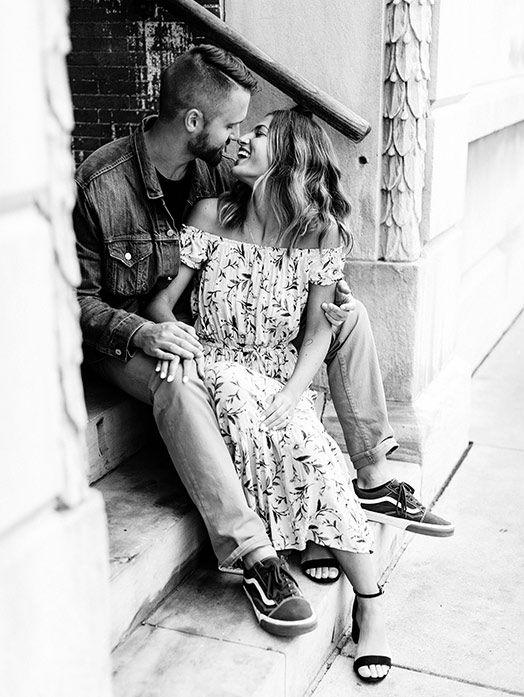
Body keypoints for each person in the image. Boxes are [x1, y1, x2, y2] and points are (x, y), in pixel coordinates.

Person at [73, 43, 451, 639]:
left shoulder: (218, 169)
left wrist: (324, 296)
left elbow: (277, 228)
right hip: (129, 340)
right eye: (232, 126)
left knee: (348, 315)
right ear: (194, 122)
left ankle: (373, 476)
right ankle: (255, 554)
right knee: (185, 379)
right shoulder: (102, 182)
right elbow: (78, 302)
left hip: (223, 327)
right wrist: (148, 329)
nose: (239, 139)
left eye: (251, 131)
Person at [145, 107, 393, 682]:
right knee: (261, 416)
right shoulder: (210, 214)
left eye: (259, 133)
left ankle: (372, 606)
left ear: (288, 156)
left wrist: (293, 393)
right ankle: (302, 543)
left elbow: (318, 331)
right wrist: (175, 335)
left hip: (281, 377)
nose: (242, 140)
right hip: (218, 368)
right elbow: (161, 302)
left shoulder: (321, 234)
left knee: (310, 447)